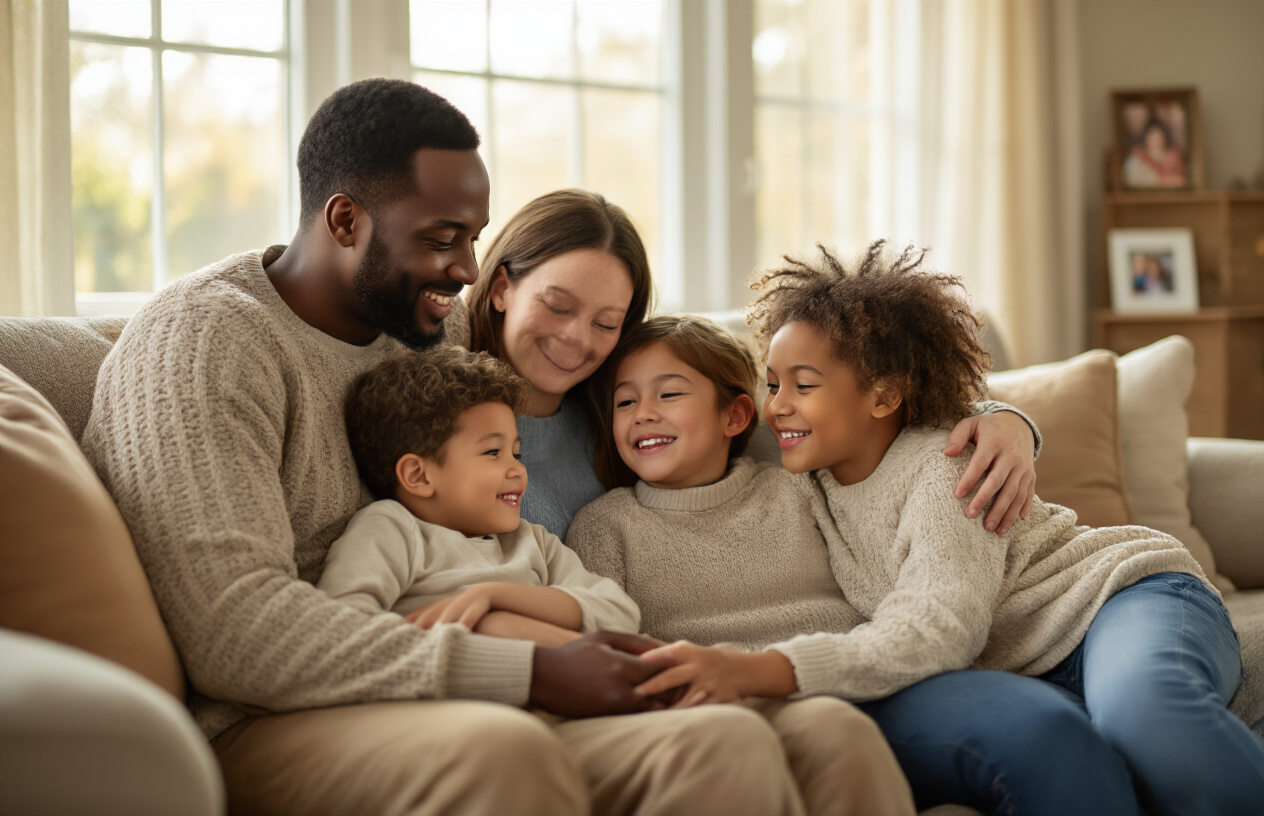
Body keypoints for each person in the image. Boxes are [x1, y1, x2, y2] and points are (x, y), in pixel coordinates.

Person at [82, 78, 815, 816]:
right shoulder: (207, 342)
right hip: (269, 719)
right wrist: (527, 669)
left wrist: (903, 425)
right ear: (345, 221)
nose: (469, 270)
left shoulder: (431, 328)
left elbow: (688, 408)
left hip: (444, 686)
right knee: (507, 753)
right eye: (442, 239)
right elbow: (238, 636)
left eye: (472, 236)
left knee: (724, 739)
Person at [620, 242, 1264, 816]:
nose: (776, 406)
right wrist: (1010, 417)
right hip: (1027, 666)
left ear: (883, 395)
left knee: (1146, 719)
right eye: (771, 384)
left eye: (803, 384)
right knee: (1087, 748)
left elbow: (938, 626)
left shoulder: (944, 465)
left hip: (1117, 601)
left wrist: (765, 669)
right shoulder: (805, 476)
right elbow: (703, 446)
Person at [464, 189, 1044, 541]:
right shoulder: (449, 412)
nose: (575, 339)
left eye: (605, 323)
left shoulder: (621, 411)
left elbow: (837, 416)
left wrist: (1003, 419)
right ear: (500, 289)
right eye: (558, 305)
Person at [569, 315, 918, 816]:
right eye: (625, 402)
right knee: (781, 734)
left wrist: (1001, 419)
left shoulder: (797, 488)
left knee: (836, 731)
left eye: (668, 395)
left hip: (824, 684)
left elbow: (896, 439)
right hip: (710, 707)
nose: (642, 414)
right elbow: (609, 642)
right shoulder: (605, 525)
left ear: (733, 418)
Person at [317, 346, 639, 646]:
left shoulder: (534, 542)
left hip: (570, 676)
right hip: (458, 685)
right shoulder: (391, 529)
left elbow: (620, 613)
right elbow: (341, 625)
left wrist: (494, 596)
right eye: (493, 452)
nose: (518, 470)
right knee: (492, 629)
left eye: (517, 453)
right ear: (419, 475)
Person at [1122, 117, 1187, 188]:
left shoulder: (1174, 156)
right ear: (1146, 138)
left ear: (1164, 138)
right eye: (1153, 136)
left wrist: (1159, 180)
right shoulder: (1137, 157)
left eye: (1158, 136)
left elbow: (1182, 181)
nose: (1156, 140)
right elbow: (1132, 181)